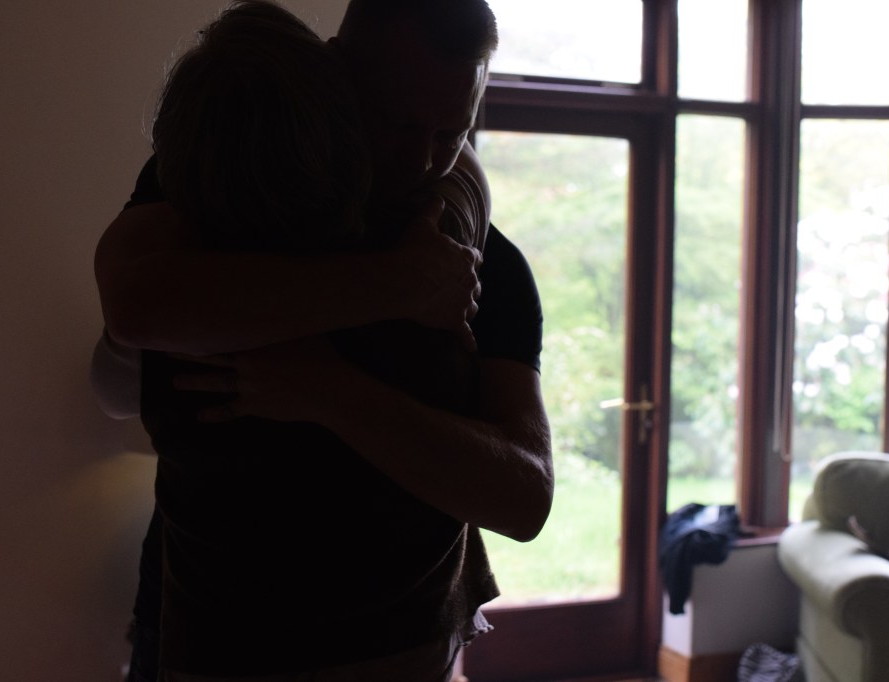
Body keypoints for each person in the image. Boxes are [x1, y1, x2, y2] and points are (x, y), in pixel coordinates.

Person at [93, 1, 553, 680]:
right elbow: (134, 307)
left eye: (451, 131)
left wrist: (329, 392)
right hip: (207, 639)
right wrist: (395, 287)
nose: (422, 160)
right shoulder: (222, 184)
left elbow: (525, 498)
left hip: (404, 652)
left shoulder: (478, 263)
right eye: (397, 124)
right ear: (335, 68)